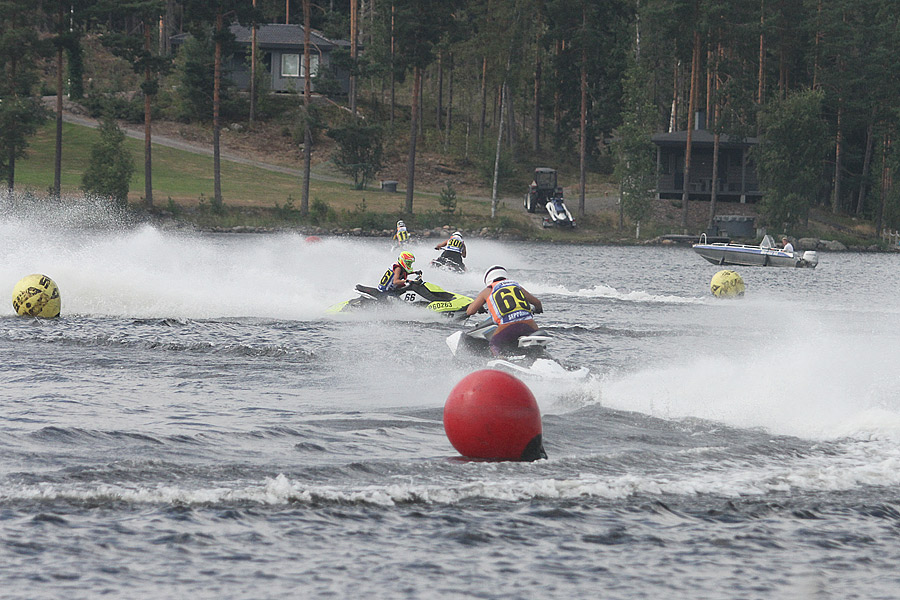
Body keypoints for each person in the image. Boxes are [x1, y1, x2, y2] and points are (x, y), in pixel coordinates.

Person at [466, 265, 543, 356]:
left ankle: (500, 362)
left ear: (488, 279)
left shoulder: (488, 290)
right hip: (530, 325)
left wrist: (480, 308)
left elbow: (470, 311)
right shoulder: (516, 286)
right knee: (538, 345)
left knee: (494, 344)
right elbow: (537, 303)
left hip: (508, 326)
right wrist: (537, 310)